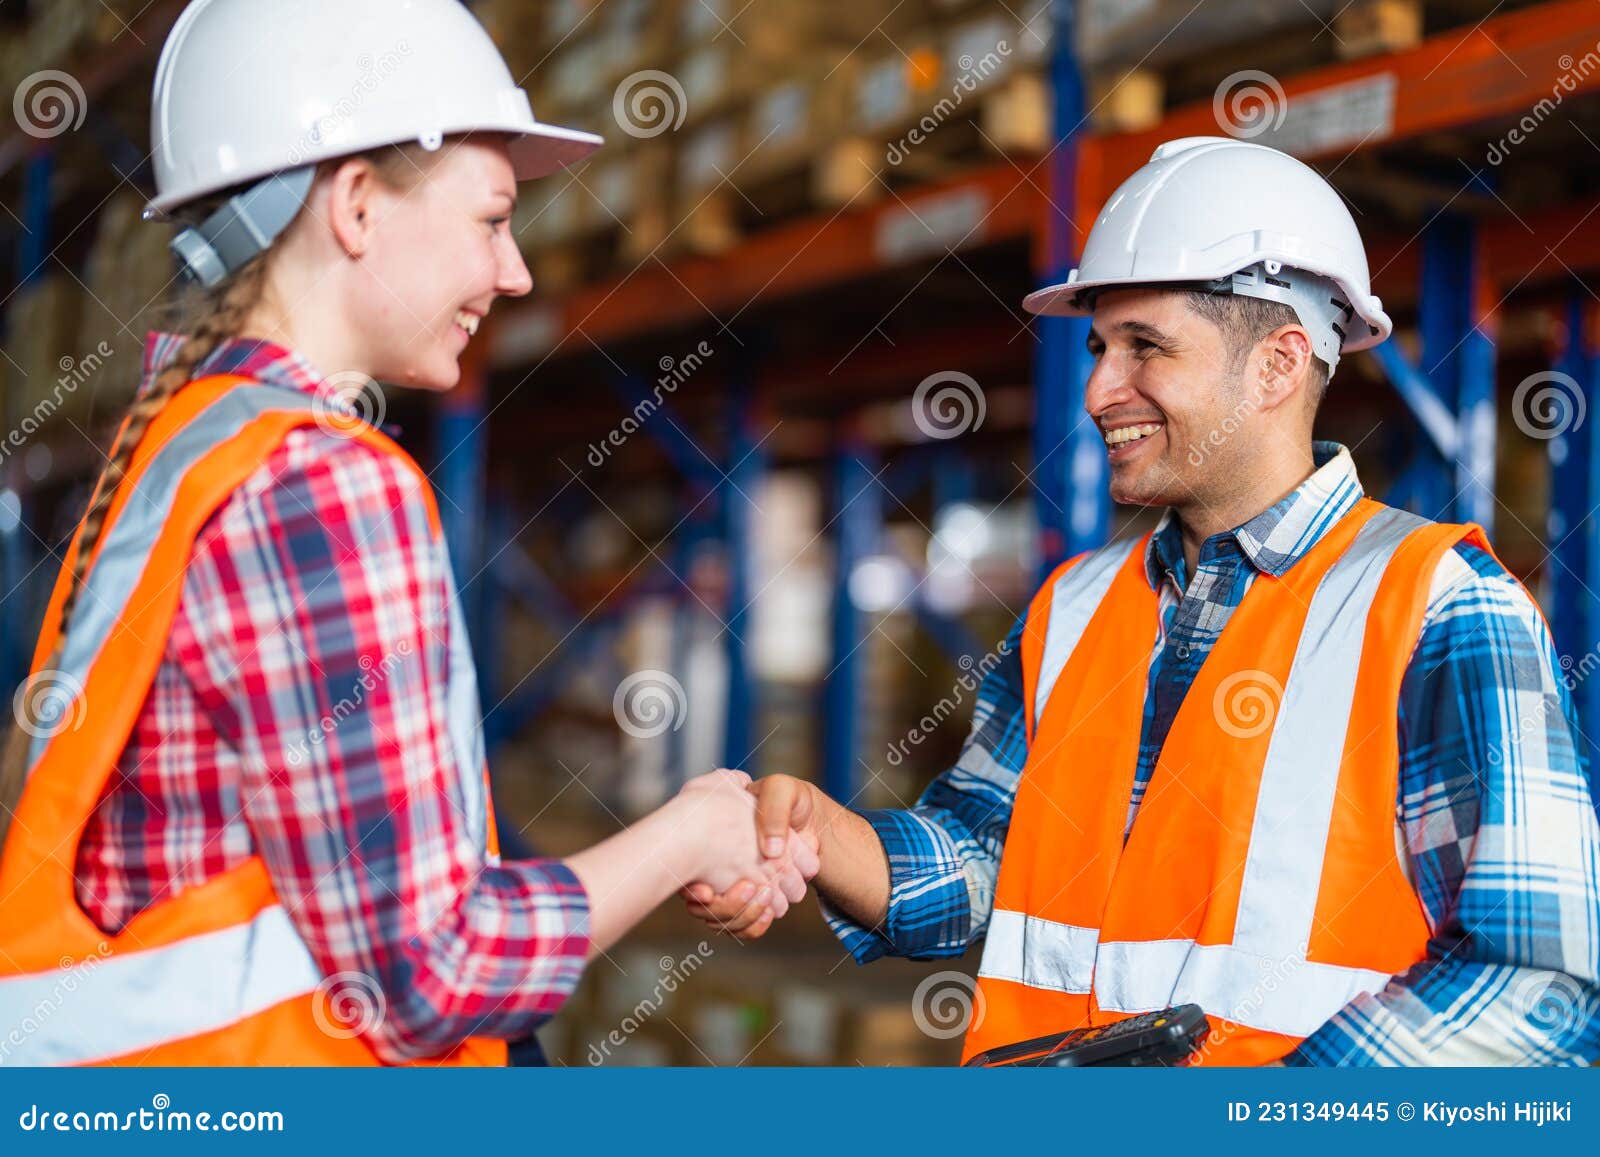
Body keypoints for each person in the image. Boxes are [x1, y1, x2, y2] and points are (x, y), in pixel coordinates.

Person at [0, 0, 815, 1067]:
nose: (516, 271)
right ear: (355, 207)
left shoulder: (185, 441)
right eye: (490, 218)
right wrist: (686, 835)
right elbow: (429, 974)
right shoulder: (323, 482)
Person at [686, 137, 1600, 1066]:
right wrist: (817, 833)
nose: (1096, 389)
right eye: (1097, 346)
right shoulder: (1076, 605)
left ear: (1279, 365)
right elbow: (984, 858)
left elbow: (1540, 985)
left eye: (1144, 347)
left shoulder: (1437, 604)